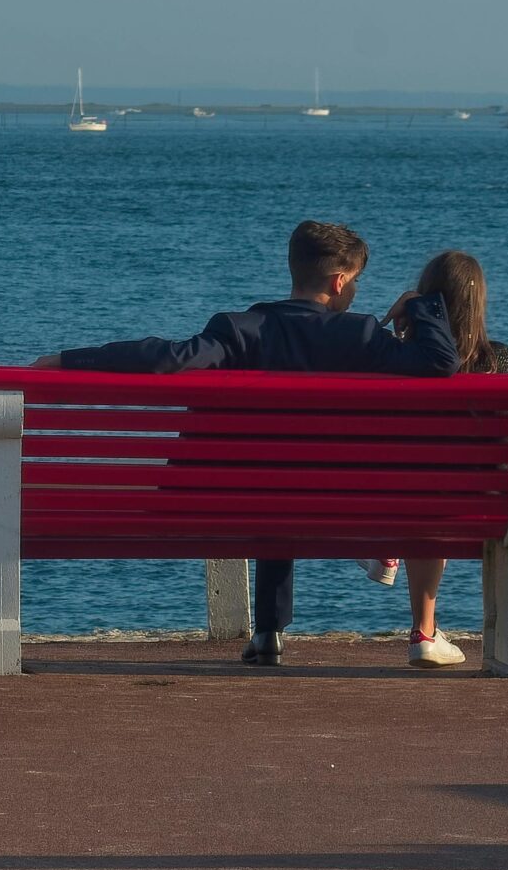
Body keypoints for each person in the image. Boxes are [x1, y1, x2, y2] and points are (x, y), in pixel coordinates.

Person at [33, 220, 461, 665]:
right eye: (355, 282)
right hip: (341, 510)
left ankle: (269, 631)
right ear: (339, 282)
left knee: (276, 483)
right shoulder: (360, 336)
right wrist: (421, 305)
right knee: (295, 480)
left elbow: (166, 359)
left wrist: (67, 359)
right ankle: (271, 628)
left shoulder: (240, 330)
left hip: (241, 501)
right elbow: (440, 363)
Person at [373, 249, 508, 669]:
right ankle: (441, 633)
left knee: (425, 489)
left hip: (402, 507)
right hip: (484, 508)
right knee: (441, 491)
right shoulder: (498, 361)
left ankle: (423, 628)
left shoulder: (401, 361)